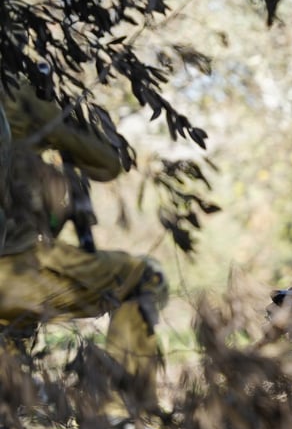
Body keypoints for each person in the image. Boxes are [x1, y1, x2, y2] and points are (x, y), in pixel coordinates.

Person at [0, 81, 168, 409]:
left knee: (14, 351)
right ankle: (123, 416)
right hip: (15, 265)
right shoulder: (19, 91)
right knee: (143, 277)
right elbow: (108, 162)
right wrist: (53, 120)